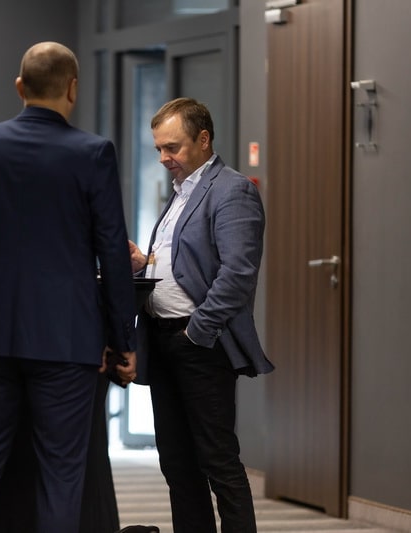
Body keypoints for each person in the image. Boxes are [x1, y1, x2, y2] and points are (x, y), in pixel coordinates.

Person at [0, 41, 138, 533]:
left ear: (19, 86)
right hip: (67, 339)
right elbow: (113, 251)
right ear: (73, 88)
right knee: (61, 475)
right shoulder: (93, 153)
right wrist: (122, 338)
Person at [129, 97, 274, 533]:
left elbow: (238, 273)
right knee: (177, 463)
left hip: (200, 344)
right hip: (162, 340)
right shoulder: (179, 193)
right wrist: (144, 264)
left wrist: (197, 331)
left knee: (218, 461)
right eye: (158, 148)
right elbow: (185, 265)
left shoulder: (232, 190)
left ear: (204, 139)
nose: (163, 157)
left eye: (171, 147)